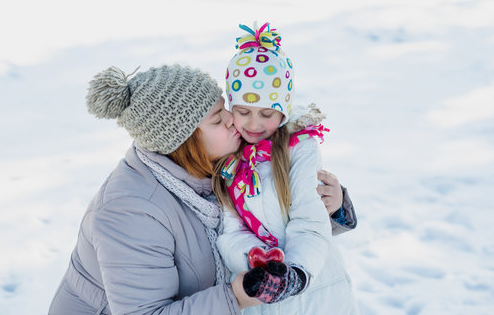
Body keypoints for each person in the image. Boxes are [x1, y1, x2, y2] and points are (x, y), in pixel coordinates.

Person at [48, 64, 356, 314]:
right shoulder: (129, 213)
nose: (235, 123)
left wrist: (329, 205)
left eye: (226, 110)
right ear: (185, 140)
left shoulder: (221, 163)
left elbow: (270, 219)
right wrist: (237, 295)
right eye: (218, 119)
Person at [213, 23, 358, 314]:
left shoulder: (298, 149)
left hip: (318, 291)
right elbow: (230, 230)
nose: (253, 125)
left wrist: (296, 274)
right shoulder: (228, 158)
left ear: (283, 109)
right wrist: (257, 261)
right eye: (243, 112)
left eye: (266, 113)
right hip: (261, 299)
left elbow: (308, 220)